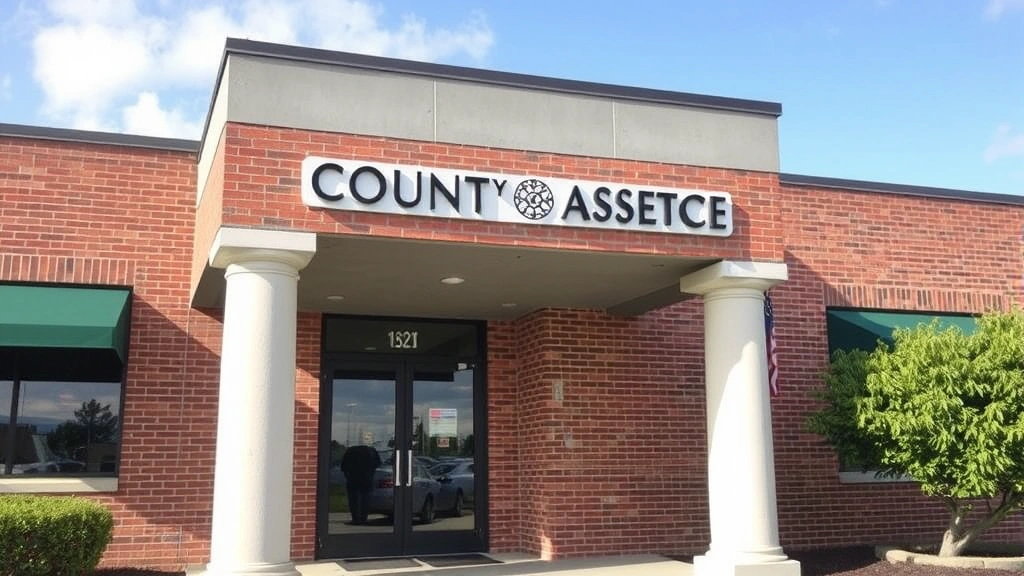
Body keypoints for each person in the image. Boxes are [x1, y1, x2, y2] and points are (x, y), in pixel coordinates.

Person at [340, 444, 381, 525]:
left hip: (353, 478)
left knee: (353, 499)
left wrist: (348, 474)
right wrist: (370, 472)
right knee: (366, 499)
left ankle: (355, 519)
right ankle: (363, 518)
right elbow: (377, 464)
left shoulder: (351, 451)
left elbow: (343, 466)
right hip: (367, 478)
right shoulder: (371, 451)